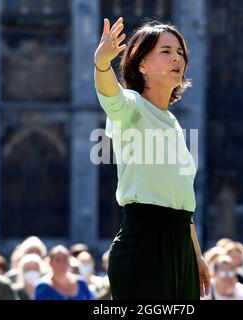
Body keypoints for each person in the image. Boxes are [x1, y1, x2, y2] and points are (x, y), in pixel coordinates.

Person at [94, 16, 210, 300]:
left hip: (181, 244)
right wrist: (101, 63)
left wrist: (195, 255)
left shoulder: (173, 123)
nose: (177, 59)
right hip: (144, 242)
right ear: (142, 65)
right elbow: (111, 96)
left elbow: (180, 198)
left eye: (180, 52)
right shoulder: (132, 107)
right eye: (166, 51)